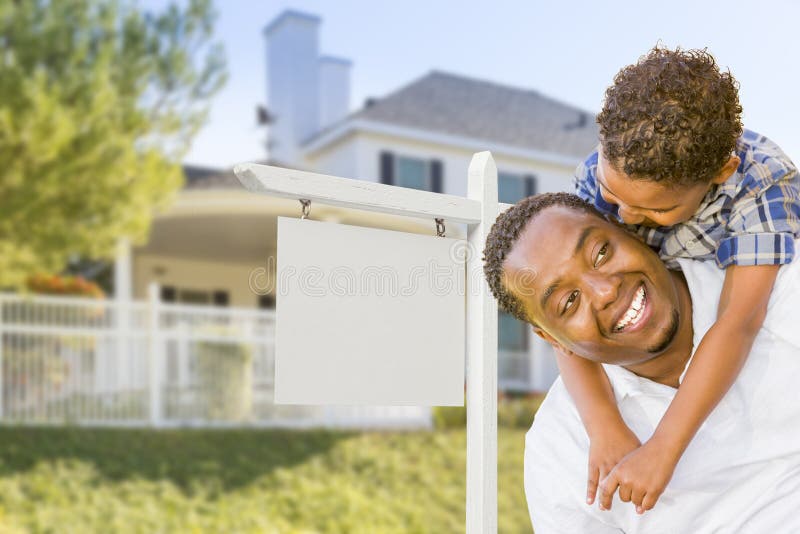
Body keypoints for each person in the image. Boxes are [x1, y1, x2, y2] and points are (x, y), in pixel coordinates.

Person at [564, 46, 800, 512]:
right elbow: (558, 315)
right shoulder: (597, 174)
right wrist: (604, 423)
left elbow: (739, 320)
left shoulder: (763, 184)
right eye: (614, 194)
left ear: (721, 173)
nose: (624, 215)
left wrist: (662, 449)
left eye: (657, 209)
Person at [482, 192, 800, 532]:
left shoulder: (780, 289)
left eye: (601, 253)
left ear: (630, 230)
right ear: (552, 339)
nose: (604, 291)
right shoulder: (561, 448)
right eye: (569, 301)